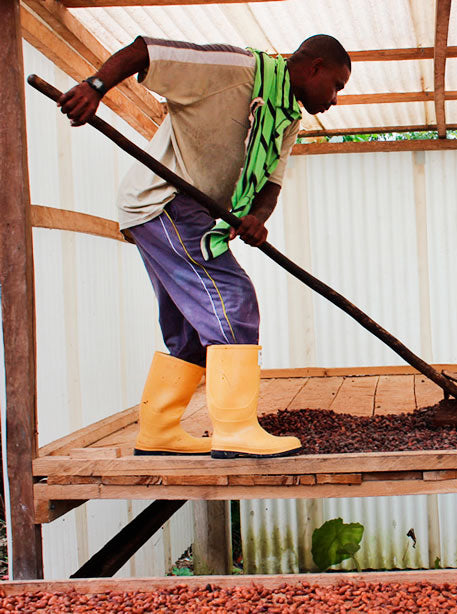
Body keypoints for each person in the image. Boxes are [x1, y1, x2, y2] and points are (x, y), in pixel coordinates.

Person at [59, 34, 351, 459]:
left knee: (191, 326)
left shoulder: (286, 119)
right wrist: (96, 87)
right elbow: (146, 51)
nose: (336, 99)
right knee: (233, 297)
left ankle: (158, 430)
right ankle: (234, 430)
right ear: (314, 67)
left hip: (187, 211)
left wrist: (257, 219)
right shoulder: (233, 70)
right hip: (165, 201)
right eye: (337, 85)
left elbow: (270, 182)